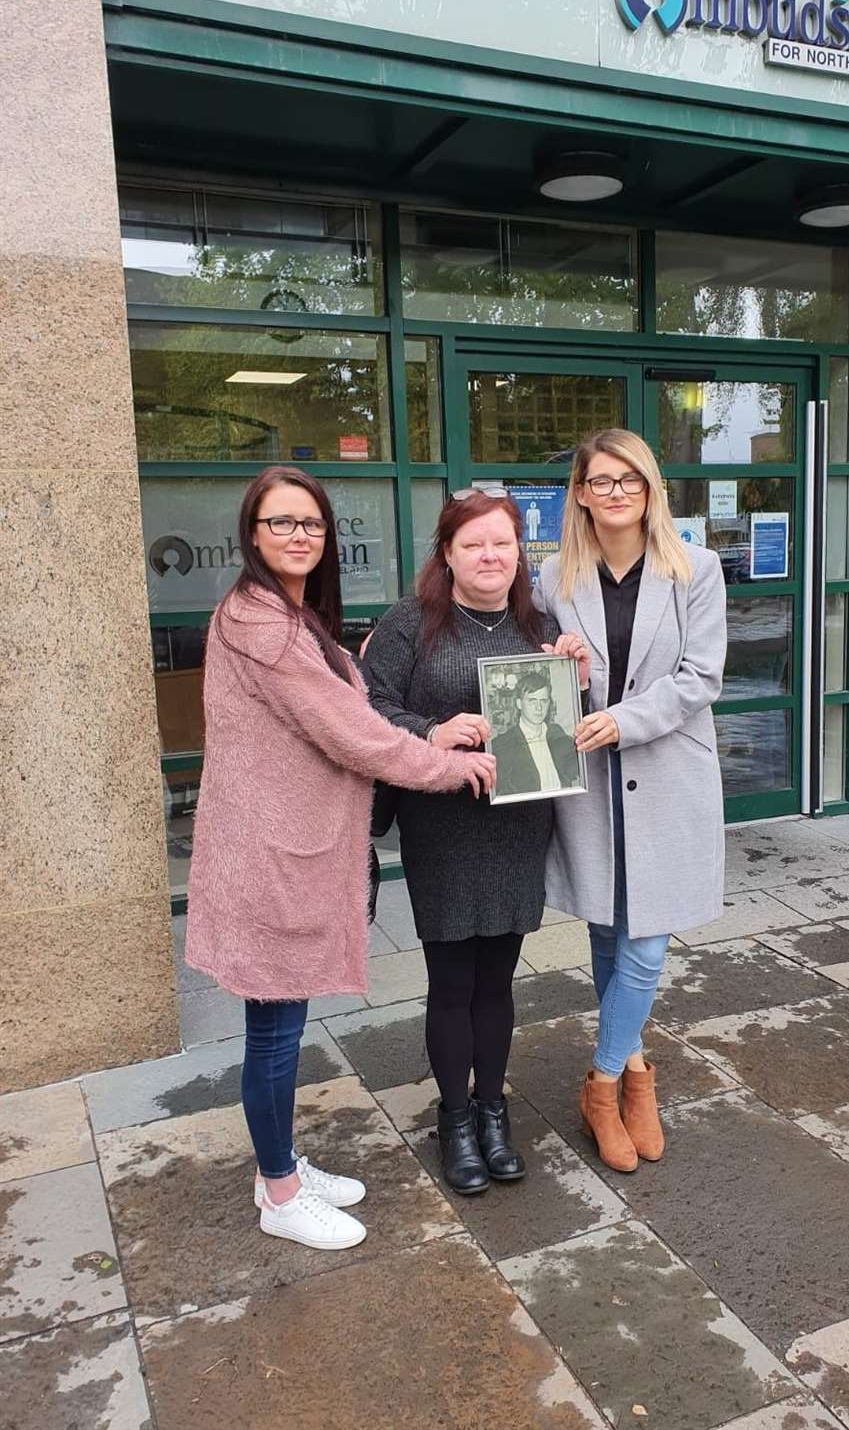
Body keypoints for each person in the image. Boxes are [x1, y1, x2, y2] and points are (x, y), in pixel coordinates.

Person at [185, 467, 494, 1251]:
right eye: (282, 523)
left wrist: (427, 730)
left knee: (279, 1023)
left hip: (280, 845)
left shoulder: (286, 616)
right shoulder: (263, 625)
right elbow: (352, 733)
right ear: (252, 534)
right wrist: (448, 765)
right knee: (276, 1033)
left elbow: (345, 710)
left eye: (312, 524)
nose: (299, 536)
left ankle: (278, 1162)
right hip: (270, 856)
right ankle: (281, 1194)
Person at [363, 490, 588, 1195]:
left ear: (520, 551)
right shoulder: (412, 622)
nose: (490, 556)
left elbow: (564, 719)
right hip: (445, 827)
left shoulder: (540, 623)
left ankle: (494, 1111)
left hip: (518, 823)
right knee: (452, 982)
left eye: (502, 543)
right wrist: (431, 730)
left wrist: (577, 677)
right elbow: (367, 709)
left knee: (497, 981)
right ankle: (455, 1118)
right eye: (473, 545)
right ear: (448, 554)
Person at [534, 429, 727, 1173]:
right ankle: (639, 1078)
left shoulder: (696, 570)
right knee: (610, 931)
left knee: (648, 943)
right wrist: (562, 664)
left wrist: (624, 718)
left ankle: (604, 1080)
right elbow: (545, 678)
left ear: (651, 490)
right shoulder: (553, 581)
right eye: (602, 481)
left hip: (668, 768)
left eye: (631, 480)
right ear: (580, 492)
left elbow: (699, 676)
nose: (617, 492)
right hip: (589, 780)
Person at [490, 668, 580, 796]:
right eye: (532, 700)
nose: (539, 708)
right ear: (519, 704)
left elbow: (575, 769)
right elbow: (502, 793)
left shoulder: (556, 732)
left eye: (543, 701)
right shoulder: (501, 745)